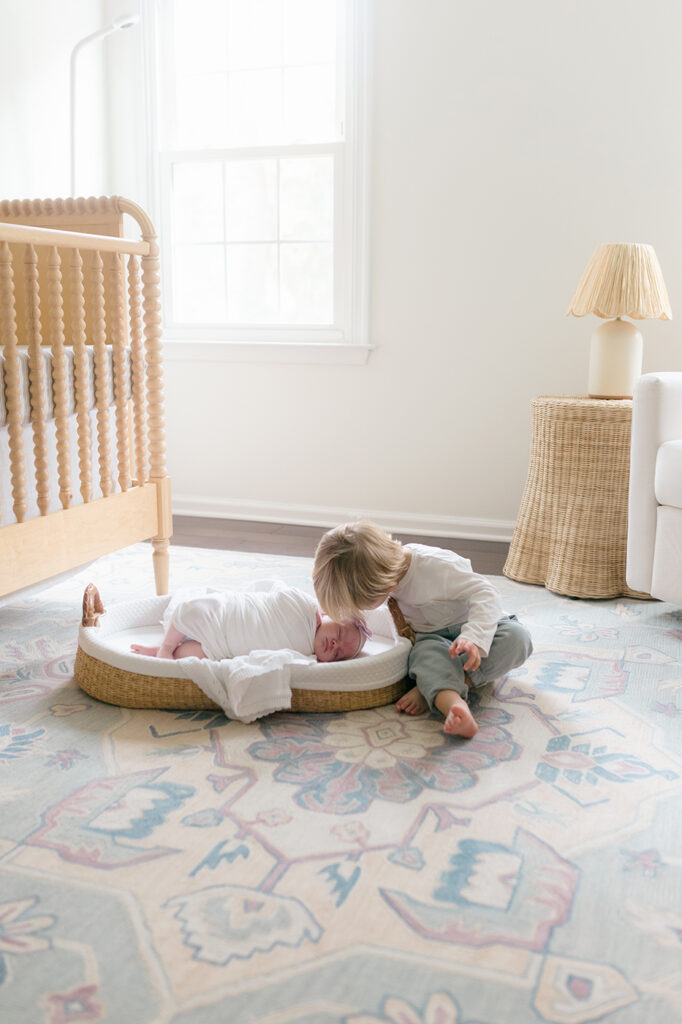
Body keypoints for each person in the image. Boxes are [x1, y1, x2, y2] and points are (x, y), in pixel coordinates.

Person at [312, 522, 533, 738]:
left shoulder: (436, 566)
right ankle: (454, 706)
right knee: (424, 656)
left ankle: (439, 685)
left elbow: (485, 593)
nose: (358, 610)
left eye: (360, 605)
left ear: (388, 587)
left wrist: (473, 636)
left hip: (477, 627)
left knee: (518, 640)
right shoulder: (382, 574)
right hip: (432, 638)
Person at [130, 581, 368, 664]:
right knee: (195, 610)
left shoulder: (305, 657)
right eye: (338, 632)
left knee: (198, 656)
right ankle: (167, 646)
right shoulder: (305, 606)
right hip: (228, 614)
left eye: (337, 655)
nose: (334, 644)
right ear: (327, 613)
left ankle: (164, 651)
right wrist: (314, 608)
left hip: (224, 646)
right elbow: (279, 596)